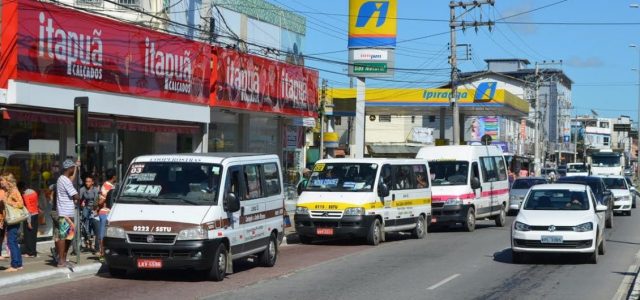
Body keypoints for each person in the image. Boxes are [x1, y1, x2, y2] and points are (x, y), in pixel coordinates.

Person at [55, 159, 81, 268]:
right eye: (72, 168)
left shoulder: (63, 179)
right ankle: (61, 260)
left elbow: (71, 179)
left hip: (66, 211)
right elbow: (76, 195)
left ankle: (63, 259)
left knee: (69, 236)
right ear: (69, 169)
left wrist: (76, 168)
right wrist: (78, 199)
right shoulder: (64, 180)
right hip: (66, 212)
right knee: (64, 236)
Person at [0, 172, 24, 272]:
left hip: (14, 220)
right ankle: (18, 264)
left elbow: (21, 204)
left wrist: (7, 202)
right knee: (13, 241)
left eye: (2, 180)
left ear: (7, 180)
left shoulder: (14, 190)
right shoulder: (7, 191)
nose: (0, 182)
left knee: (11, 241)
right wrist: (2, 220)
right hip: (9, 219)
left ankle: (14, 265)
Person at [95, 169, 116, 261]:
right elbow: (101, 200)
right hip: (105, 212)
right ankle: (102, 254)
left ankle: (104, 253)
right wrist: (100, 204)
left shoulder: (106, 185)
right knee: (103, 234)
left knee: (104, 234)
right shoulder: (108, 186)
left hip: (105, 212)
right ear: (114, 177)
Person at [19, 181, 39, 258]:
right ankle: (33, 252)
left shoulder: (25, 195)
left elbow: (28, 209)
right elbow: (36, 204)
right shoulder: (34, 192)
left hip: (29, 216)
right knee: (33, 235)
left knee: (28, 236)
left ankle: (29, 252)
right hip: (36, 214)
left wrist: (29, 222)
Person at [79, 175, 99, 252]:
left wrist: (95, 209)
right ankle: (86, 240)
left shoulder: (95, 190)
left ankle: (93, 242)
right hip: (86, 207)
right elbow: (79, 198)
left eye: (89, 181)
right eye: (86, 181)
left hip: (94, 207)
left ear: (92, 182)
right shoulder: (82, 189)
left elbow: (96, 200)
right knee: (84, 223)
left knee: (93, 223)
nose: (87, 183)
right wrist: (81, 204)